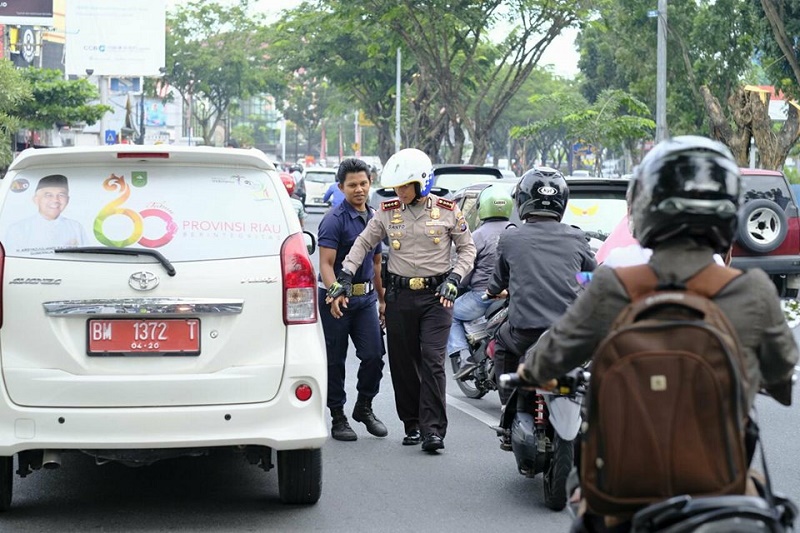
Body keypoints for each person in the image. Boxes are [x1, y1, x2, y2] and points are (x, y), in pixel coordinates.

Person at [514, 136, 798, 532]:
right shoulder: (752, 291)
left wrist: (529, 372)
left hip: (623, 491)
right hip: (720, 488)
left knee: (583, 500)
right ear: (729, 213)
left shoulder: (614, 283)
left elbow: (553, 355)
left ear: (646, 207)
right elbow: (782, 380)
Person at [327, 148, 476, 453]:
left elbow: (468, 250)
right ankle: (412, 425)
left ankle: (433, 430)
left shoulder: (448, 210)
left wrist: (455, 278)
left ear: (423, 182)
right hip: (400, 297)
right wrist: (345, 275)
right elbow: (363, 244)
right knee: (403, 363)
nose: (400, 192)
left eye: (406, 186)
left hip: (437, 298)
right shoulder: (386, 211)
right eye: (396, 187)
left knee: (433, 361)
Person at [484, 167, 596, 407]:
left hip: (525, 332)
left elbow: (497, 282)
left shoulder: (511, 237)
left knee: (500, 343)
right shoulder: (577, 237)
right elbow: (592, 277)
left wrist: (493, 291)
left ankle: (507, 408)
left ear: (523, 200)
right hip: (567, 332)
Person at [317, 158, 388, 441]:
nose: (359, 189)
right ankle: (338, 416)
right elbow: (325, 263)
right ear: (341, 187)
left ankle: (364, 407)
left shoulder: (375, 217)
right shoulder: (333, 220)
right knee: (335, 361)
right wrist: (335, 293)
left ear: (370, 184)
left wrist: (383, 300)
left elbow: (378, 264)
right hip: (336, 300)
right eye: (352, 185)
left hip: (366, 301)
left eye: (363, 183)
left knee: (374, 355)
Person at [448, 184, 514, 379]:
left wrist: (457, 284)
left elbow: (466, 271)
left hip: (483, 296)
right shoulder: (516, 232)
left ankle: (464, 355)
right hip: (514, 295)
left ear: (483, 207)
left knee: (449, 312)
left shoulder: (477, 235)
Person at [4, 174, 88, 254]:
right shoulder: (18, 229)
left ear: (68, 200)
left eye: (61, 195)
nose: (55, 200)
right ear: (36, 199)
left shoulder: (76, 227)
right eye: (48, 195)